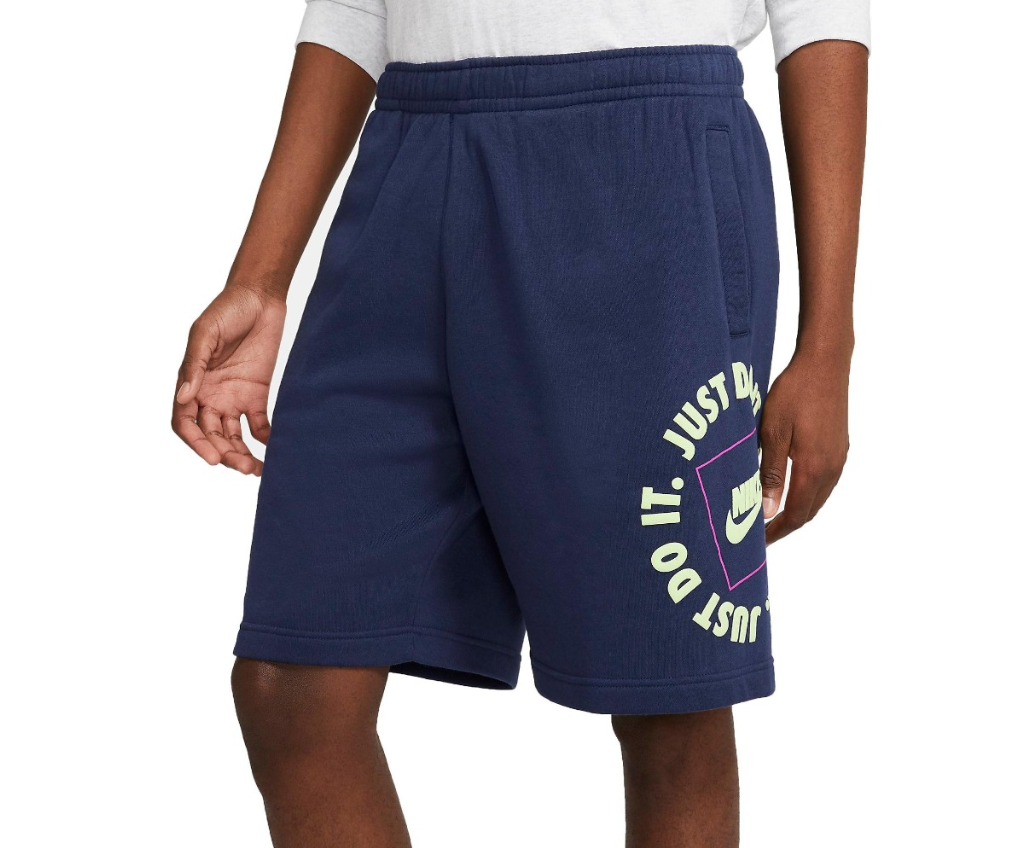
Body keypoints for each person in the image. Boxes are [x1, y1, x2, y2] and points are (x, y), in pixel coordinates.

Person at [172, 1, 868, 844]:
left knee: (666, 701)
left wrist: (827, 344)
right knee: (291, 678)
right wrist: (260, 277)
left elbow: (822, 15)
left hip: (647, 170)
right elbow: (353, 8)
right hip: (410, 168)